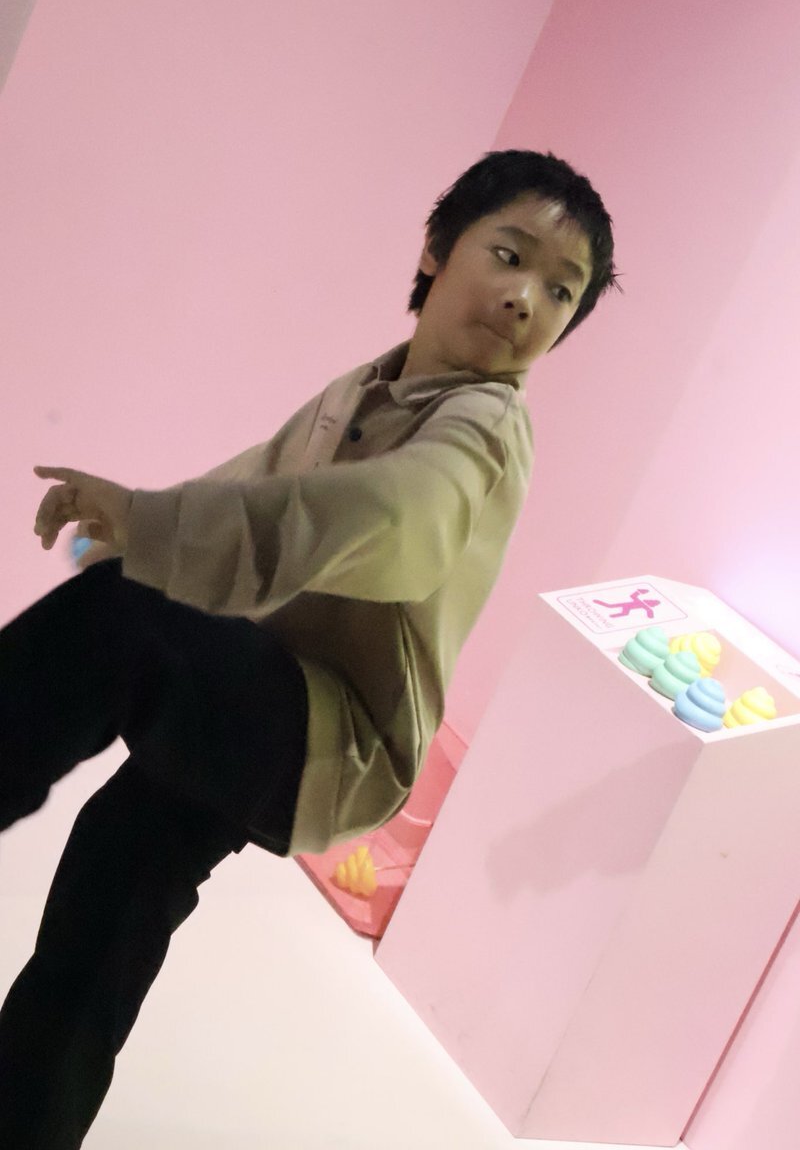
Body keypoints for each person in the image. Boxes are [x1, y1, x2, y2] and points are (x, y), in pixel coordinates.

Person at [0, 148, 619, 1148]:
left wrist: (149, 536)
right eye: (509, 256)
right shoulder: (366, 387)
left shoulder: (482, 430)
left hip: (332, 735)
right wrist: (131, 528)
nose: (525, 299)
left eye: (560, 290)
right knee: (113, 884)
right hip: (255, 692)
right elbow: (259, 483)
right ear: (435, 250)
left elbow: (394, 517)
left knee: (127, 624)